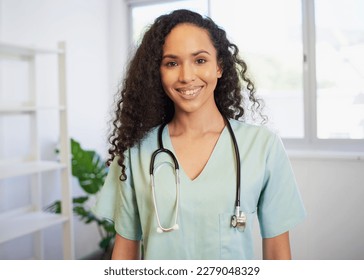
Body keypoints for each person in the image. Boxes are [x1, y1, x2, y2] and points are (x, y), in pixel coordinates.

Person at [93, 9, 306, 260]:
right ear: (157, 73)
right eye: (171, 63)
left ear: (219, 67)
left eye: (200, 60)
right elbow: (125, 253)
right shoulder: (135, 152)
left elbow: (278, 255)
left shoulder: (262, 146)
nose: (186, 76)